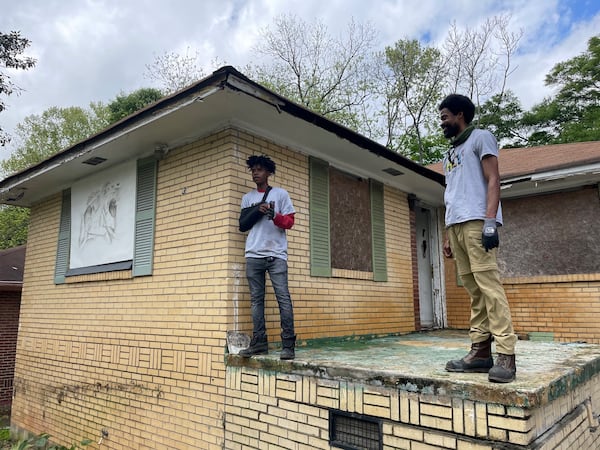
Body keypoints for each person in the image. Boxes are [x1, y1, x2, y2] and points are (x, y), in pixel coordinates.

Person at [439, 94, 517, 383]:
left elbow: (493, 179)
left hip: (476, 221)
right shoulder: (449, 153)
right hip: (456, 225)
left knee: (489, 286)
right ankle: (480, 351)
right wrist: (448, 233)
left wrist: (489, 222)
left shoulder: (481, 138)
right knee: (474, 290)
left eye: (445, 116)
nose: (442, 121)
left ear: (460, 114)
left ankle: (506, 355)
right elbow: (451, 195)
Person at [238, 154, 297, 360]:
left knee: (283, 299)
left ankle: (288, 345)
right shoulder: (248, 198)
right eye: (253, 170)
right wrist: (257, 210)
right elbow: (242, 225)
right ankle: (259, 343)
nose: (256, 173)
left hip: (276, 254)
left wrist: (274, 215)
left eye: (260, 169)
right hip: (253, 254)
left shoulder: (280, 194)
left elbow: (289, 222)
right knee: (256, 301)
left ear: (269, 172)